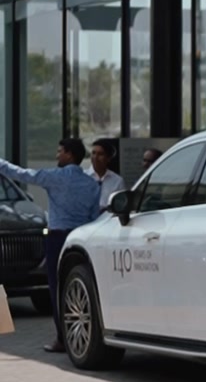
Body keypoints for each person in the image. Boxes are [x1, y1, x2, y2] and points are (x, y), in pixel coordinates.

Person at [0, 137, 101, 351]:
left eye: (60, 151)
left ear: (69, 155)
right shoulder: (92, 184)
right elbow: (94, 216)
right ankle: (82, 337)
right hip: (82, 239)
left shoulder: (55, 177)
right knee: (79, 288)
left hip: (57, 238)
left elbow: (21, 174)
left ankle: (62, 339)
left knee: (56, 289)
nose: (57, 155)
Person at [88, 138, 124, 213]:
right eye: (93, 153)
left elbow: (121, 204)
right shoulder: (83, 176)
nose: (95, 157)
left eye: (100, 154)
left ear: (108, 158)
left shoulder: (117, 180)